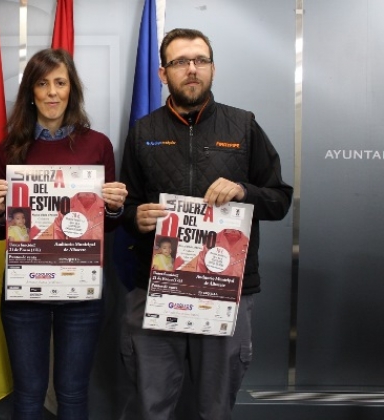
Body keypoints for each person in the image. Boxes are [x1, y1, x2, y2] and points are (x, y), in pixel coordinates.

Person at [119, 28, 293, 420]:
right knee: (151, 407)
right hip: (158, 287)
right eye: (180, 61)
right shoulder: (143, 132)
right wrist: (135, 215)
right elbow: (125, 207)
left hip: (224, 290)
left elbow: (280, 199)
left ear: (213, 68)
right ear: (163, 73)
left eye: (200, 60)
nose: (192, 69)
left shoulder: (243, 126)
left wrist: (243, 191)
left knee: (214, 409)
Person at [0, 48, 128, 419]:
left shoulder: (98, 144)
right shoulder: (9, 149)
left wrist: (114, 206)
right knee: (28, 395)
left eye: (60, 83)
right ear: (30, 92)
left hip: (81, 289)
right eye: (42, 83)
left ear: (71, 89)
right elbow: (0, 233)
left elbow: (109, 225)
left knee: (73, 394)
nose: (51, 92)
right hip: (24, 287)